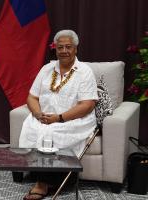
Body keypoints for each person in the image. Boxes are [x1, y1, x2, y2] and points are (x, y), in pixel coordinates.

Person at [19, 30, 98, 200]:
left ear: (75, 49)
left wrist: (59, 118)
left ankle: (42, 184)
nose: (64, 50)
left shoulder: (85, 71)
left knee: (50, 133)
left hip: (74, 119)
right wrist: (38, 114)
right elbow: (32, 97)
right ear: (55, 49)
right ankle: (48, 179)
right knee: (32, 128)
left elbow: (88, 105)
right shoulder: (47, 69)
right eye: (60, 47)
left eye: (68, 47)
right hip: (45, 117)